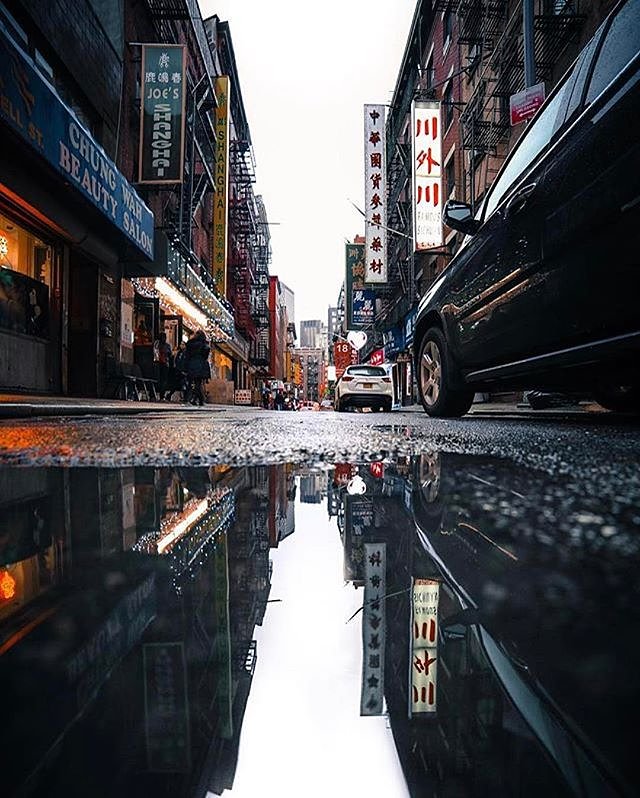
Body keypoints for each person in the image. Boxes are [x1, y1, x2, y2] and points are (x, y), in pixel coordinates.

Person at [185, 330, 211, 406]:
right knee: (198, 383)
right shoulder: (204, 345)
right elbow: (205, 356)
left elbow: (187, 355)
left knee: (191, 383)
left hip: (191, 364)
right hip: (201, 365)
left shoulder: (190, 344)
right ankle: (197, 400)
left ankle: (195, 399)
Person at [155, 332, 174, 400]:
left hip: (159, 363)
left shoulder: (157, 344)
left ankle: (160, 394)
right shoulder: (166, 346)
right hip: (164, 363)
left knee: (160, 379)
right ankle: (161, 395)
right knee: (163, 380)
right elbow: (170, 355)